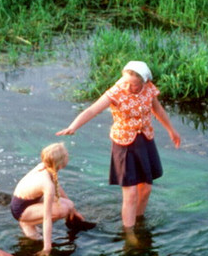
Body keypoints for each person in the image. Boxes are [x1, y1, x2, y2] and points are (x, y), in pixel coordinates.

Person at [57, 60, 181, 228]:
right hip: (123, 143)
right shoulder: (116, 92)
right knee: (130, 193)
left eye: (135, 85)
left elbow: (157, 110)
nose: (130, 88)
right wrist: (74, 126)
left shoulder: (149, 88)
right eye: (127, 83)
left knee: (146, 188)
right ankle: (129, 234)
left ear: (144, 82)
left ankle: (138, 221)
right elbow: (93, 110)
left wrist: (171, 130)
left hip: (144, 139)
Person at [10, 142, 90, 256]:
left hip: (27, 202)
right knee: (63, 210)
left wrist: (75, 211)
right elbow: (47, 218)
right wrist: (47, 248)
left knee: (69, 205)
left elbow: (58, 186)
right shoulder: (46, 184)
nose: (69, 157)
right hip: (21, 210)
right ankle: (26, 223)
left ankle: (30, 223)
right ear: (61, 163)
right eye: (67, 156)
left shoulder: (45, 166)